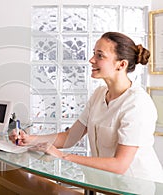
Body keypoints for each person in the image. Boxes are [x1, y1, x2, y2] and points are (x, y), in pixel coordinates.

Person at [10, 32, 163, 183]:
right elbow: (70, 137)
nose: (91, 60)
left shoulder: (137, 104)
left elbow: (119, 165)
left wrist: (63, 157)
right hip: (109, 184)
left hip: (140, 186)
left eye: (100, 56)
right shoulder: (99, 94)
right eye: (93, 54)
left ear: (121, 64)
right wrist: (29, 139)